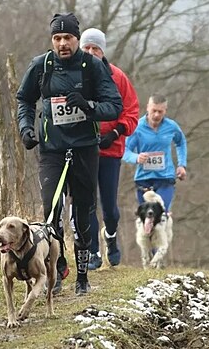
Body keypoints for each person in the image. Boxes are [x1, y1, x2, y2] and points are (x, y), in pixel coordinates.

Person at [16, 13, 122, 295]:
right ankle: (58, 266)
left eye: (68, 38)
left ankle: (83, 275)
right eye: (57, 38)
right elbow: (24, 100)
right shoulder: (42, 65)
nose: (62, 44)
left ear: (77, 39)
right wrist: (26, 129)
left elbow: (114, 105)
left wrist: (88, 106)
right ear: (52, 40)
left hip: (85, 149)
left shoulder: (92, 66)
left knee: (84, 211)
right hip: (52, 150)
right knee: (52, 210)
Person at [79, 28, 139, 270]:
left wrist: (115, 133)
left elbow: (132, 112)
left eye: (96, 48)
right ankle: (93, 252)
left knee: (110, 208)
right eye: (87, 48)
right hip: (83, 148)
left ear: (103, 51)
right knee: (87, 203)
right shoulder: (74, 75)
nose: (91, 52)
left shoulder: (117, 77)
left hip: (110, 149)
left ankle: (111, 237)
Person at [123, 94, 187, 212]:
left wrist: (181, 164)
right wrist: (136, 158)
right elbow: (124, 149)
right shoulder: (137, 127)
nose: (157, 115)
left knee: (161, 213)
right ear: (148, 108)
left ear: (165, 111)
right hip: (144, 179)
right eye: (154, 111)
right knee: (146, 218)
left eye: (160, 112)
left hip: (165, 178)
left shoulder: (171, 126)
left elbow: (181, 142)